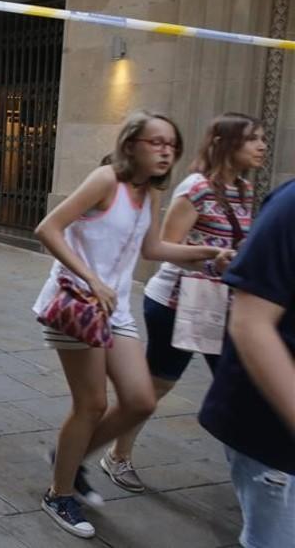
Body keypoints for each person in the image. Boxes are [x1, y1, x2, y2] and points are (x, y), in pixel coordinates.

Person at [32, 111, 234, 540]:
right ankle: (59, 492)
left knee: (141, 400)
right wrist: (91, 277)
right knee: (91, 405)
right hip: (76, 303)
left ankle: (69, 455)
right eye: (155, 143)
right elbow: (49, 228)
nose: (165, 151)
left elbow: (154, 248)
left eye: (171, 145)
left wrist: (205, 254)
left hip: (116, 310)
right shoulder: (107, 180)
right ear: (131, 146)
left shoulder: (150, 193)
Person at [105, 113, 266, 493]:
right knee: (156, 388)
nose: (262, 146)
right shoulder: (195, 189)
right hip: (178, 306)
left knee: (238, 388)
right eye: (252, 139)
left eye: (262, 138)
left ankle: (256, 475)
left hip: (222, 306)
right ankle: (116, 454)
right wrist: (214, 254)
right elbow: (164, 249)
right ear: (224, 143)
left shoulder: (243, 189)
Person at [199, 178, 295, 548]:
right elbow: (251, 323)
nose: (259, 147)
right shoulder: (289, 205)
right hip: (274, 437)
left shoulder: (243, 189)